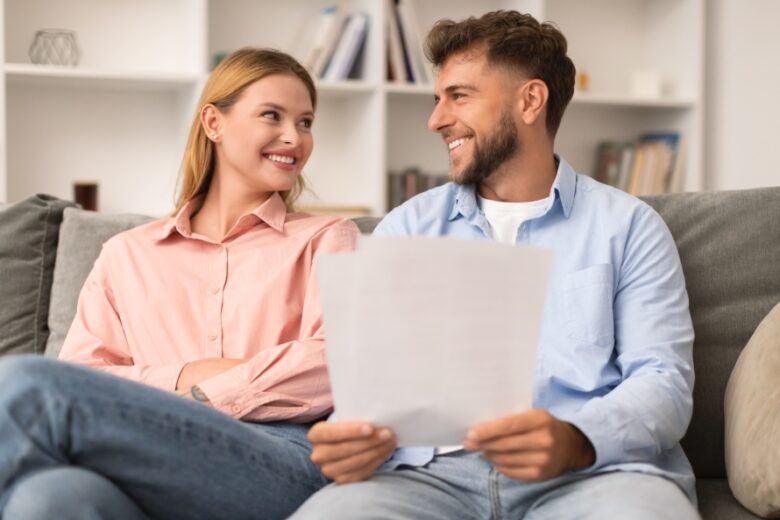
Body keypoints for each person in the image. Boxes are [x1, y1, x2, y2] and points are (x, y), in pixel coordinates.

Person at [293, 11, 699, 519]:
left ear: (530, 100)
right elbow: (370, 392)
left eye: (459, 96)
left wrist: (575, 439)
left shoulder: (628, 228)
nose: (436, 119)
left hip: (590, 475)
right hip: (429, 479)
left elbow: (663, 382)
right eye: (437, 99)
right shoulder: (407, 228)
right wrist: (353, 436)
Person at [0, 48, 360, 519]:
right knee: (48, 498)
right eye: (273, 115)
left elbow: (336, 360)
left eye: (306, 122)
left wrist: (200, 398)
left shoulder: (326, 238)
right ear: (214, 123)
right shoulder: (127, 253)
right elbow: (88, 375)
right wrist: (190, 375)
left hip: (282, 458)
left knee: (24, 382)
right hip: (147, 455)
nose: (294, 137)